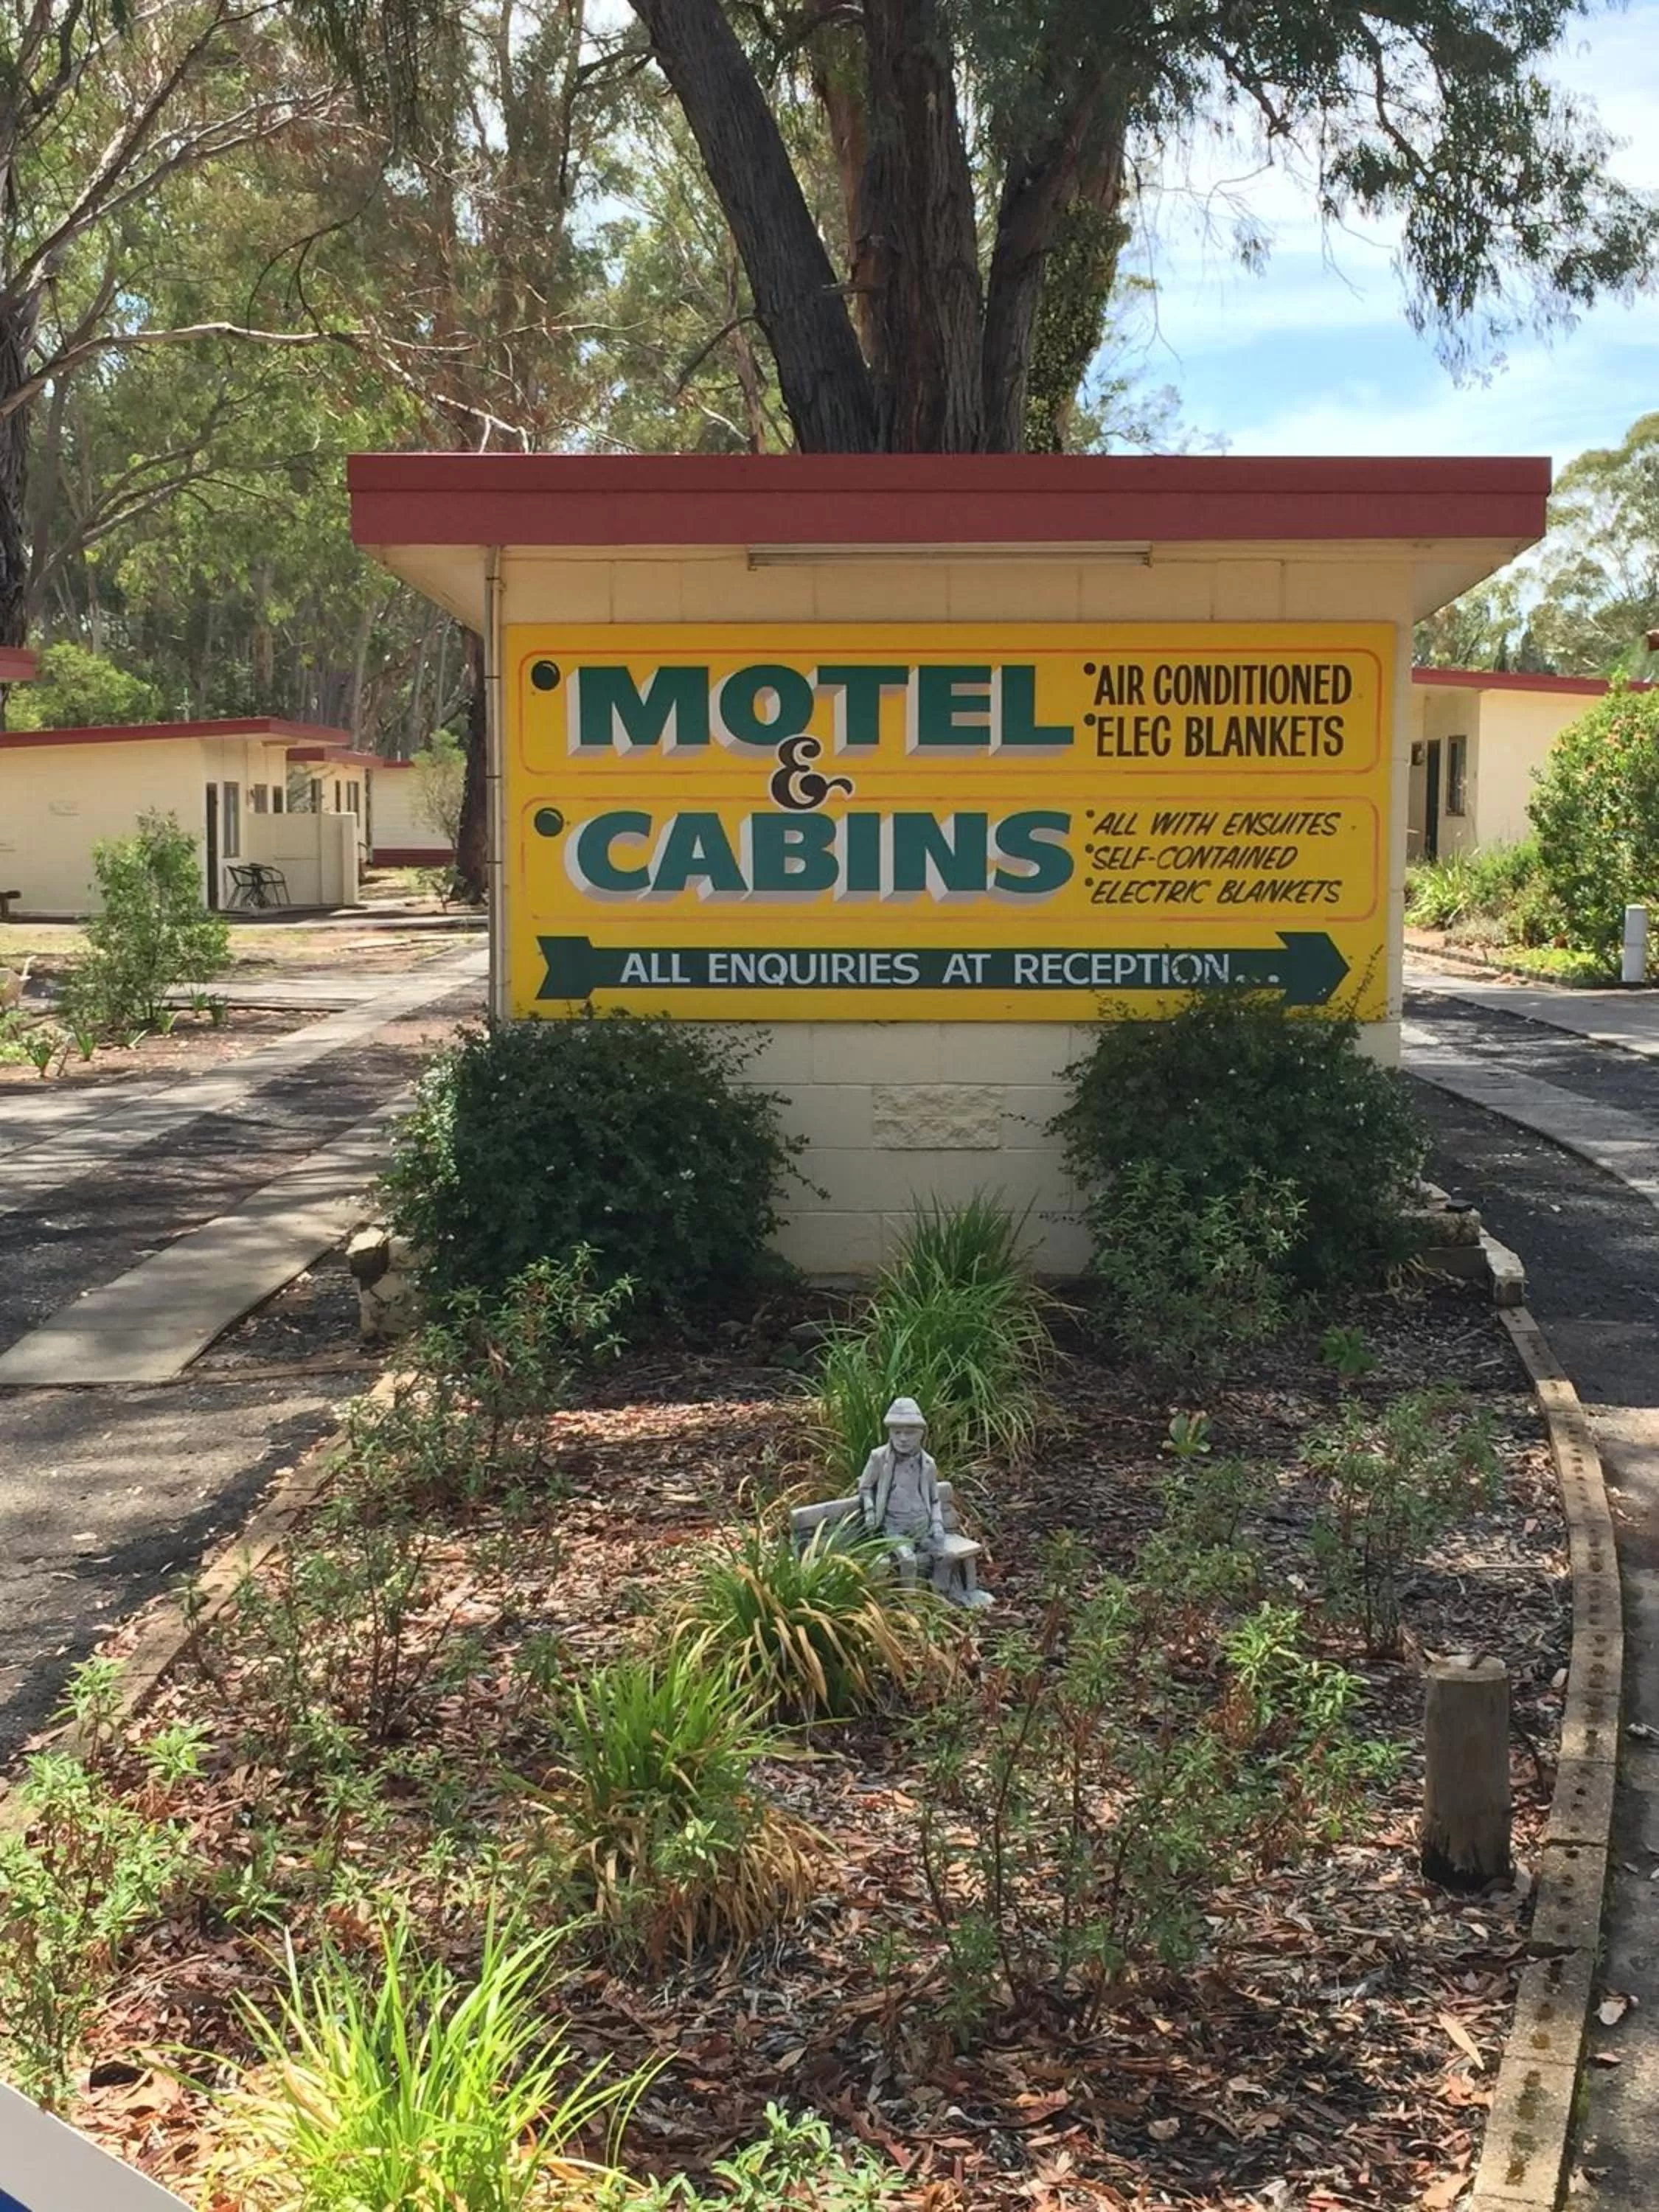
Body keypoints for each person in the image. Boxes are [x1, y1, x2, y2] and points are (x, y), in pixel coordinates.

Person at [857, 1396, 945, 1582]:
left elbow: (935, 1499)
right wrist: (870, 1509)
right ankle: (910, 1600)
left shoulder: (928, 1463)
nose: (902, 1439)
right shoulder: (879, 1458)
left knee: (944, 1555)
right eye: (897, 1432)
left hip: (922, 1525)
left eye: (909, 1433)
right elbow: (865, 1487)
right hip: (895, 1526)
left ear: (921, 1433)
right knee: (907, 1559)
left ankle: (940, 1595)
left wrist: (937, 1523)